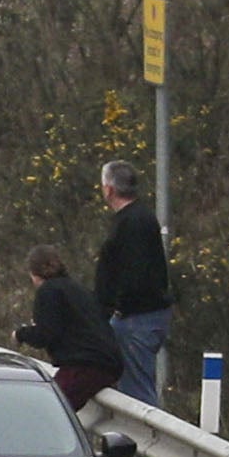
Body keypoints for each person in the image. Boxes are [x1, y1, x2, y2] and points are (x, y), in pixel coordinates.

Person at [93, 161, 174, 409]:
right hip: (138, 316)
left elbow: (135, 275)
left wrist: (117, 308)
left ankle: (144, 440)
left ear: (109, 189)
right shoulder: (137, 218)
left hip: (136, 319)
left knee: (137, 393)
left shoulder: (132, 223)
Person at [19, 245, 125, 410]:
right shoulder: (77, 289)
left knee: (48, 410)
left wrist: (21, 334)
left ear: (34, 273)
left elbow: (45, 334)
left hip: (85, 365)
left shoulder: (48, 292)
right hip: (110, 362)